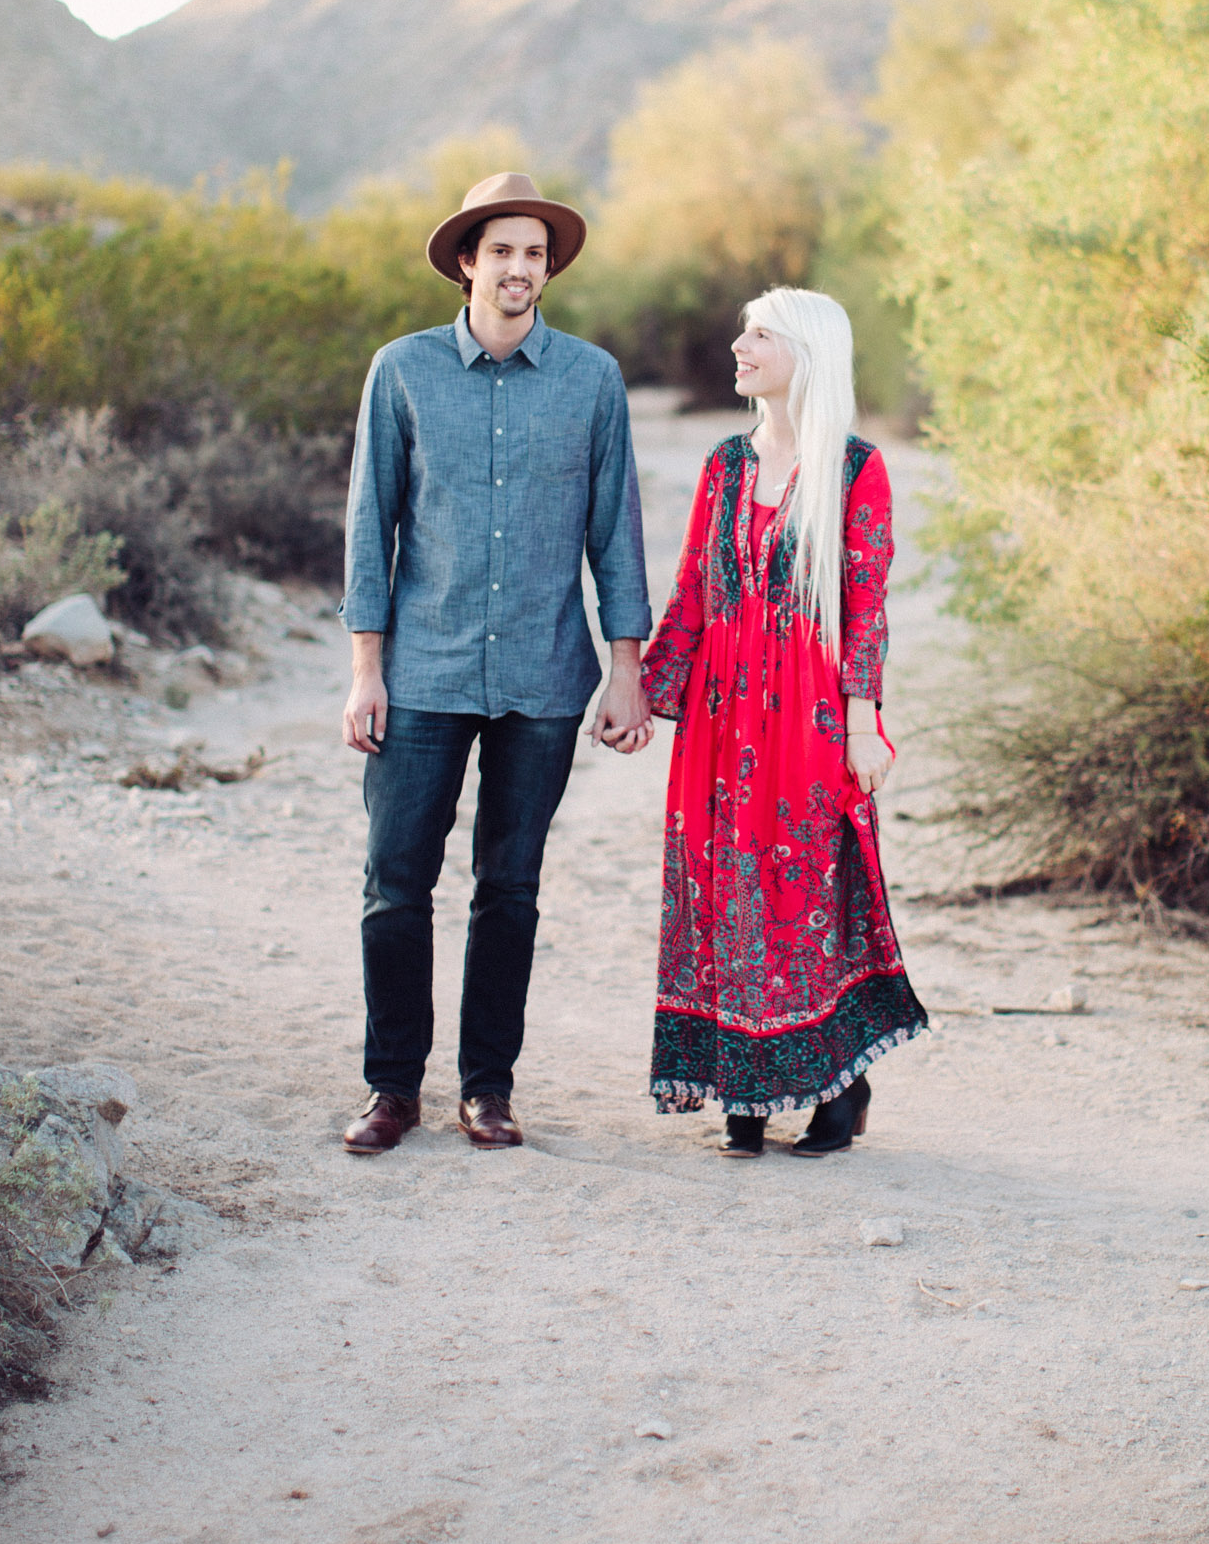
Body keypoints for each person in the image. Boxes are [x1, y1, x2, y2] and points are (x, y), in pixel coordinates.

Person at [339, 170, 653, 1156]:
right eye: (503, 250)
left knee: (509, 887)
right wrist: (366, 669)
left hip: (544, 676)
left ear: (547, 267)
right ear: (468, 262)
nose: (520, 268)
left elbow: (617, 529)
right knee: (397, 883)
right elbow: (368, 527)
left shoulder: (591, 380)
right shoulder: (402, 371)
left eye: (535, 252)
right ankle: (393, 1090)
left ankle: (488, 1089)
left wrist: (626, 665)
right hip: (423, 672)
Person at [640, 286, 926, 1156]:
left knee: (802, 886)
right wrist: (645, 692)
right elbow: (693, 586)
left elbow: (865, 607)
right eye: (741, 329)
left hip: (805, 712)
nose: (740, 344)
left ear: (806, 351)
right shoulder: (725, 464)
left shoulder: (853, 469)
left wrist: (862, 722)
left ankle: (841, 1086)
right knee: (719, 885)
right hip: (721, 716)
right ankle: (745, 1093)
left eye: (759, 332)